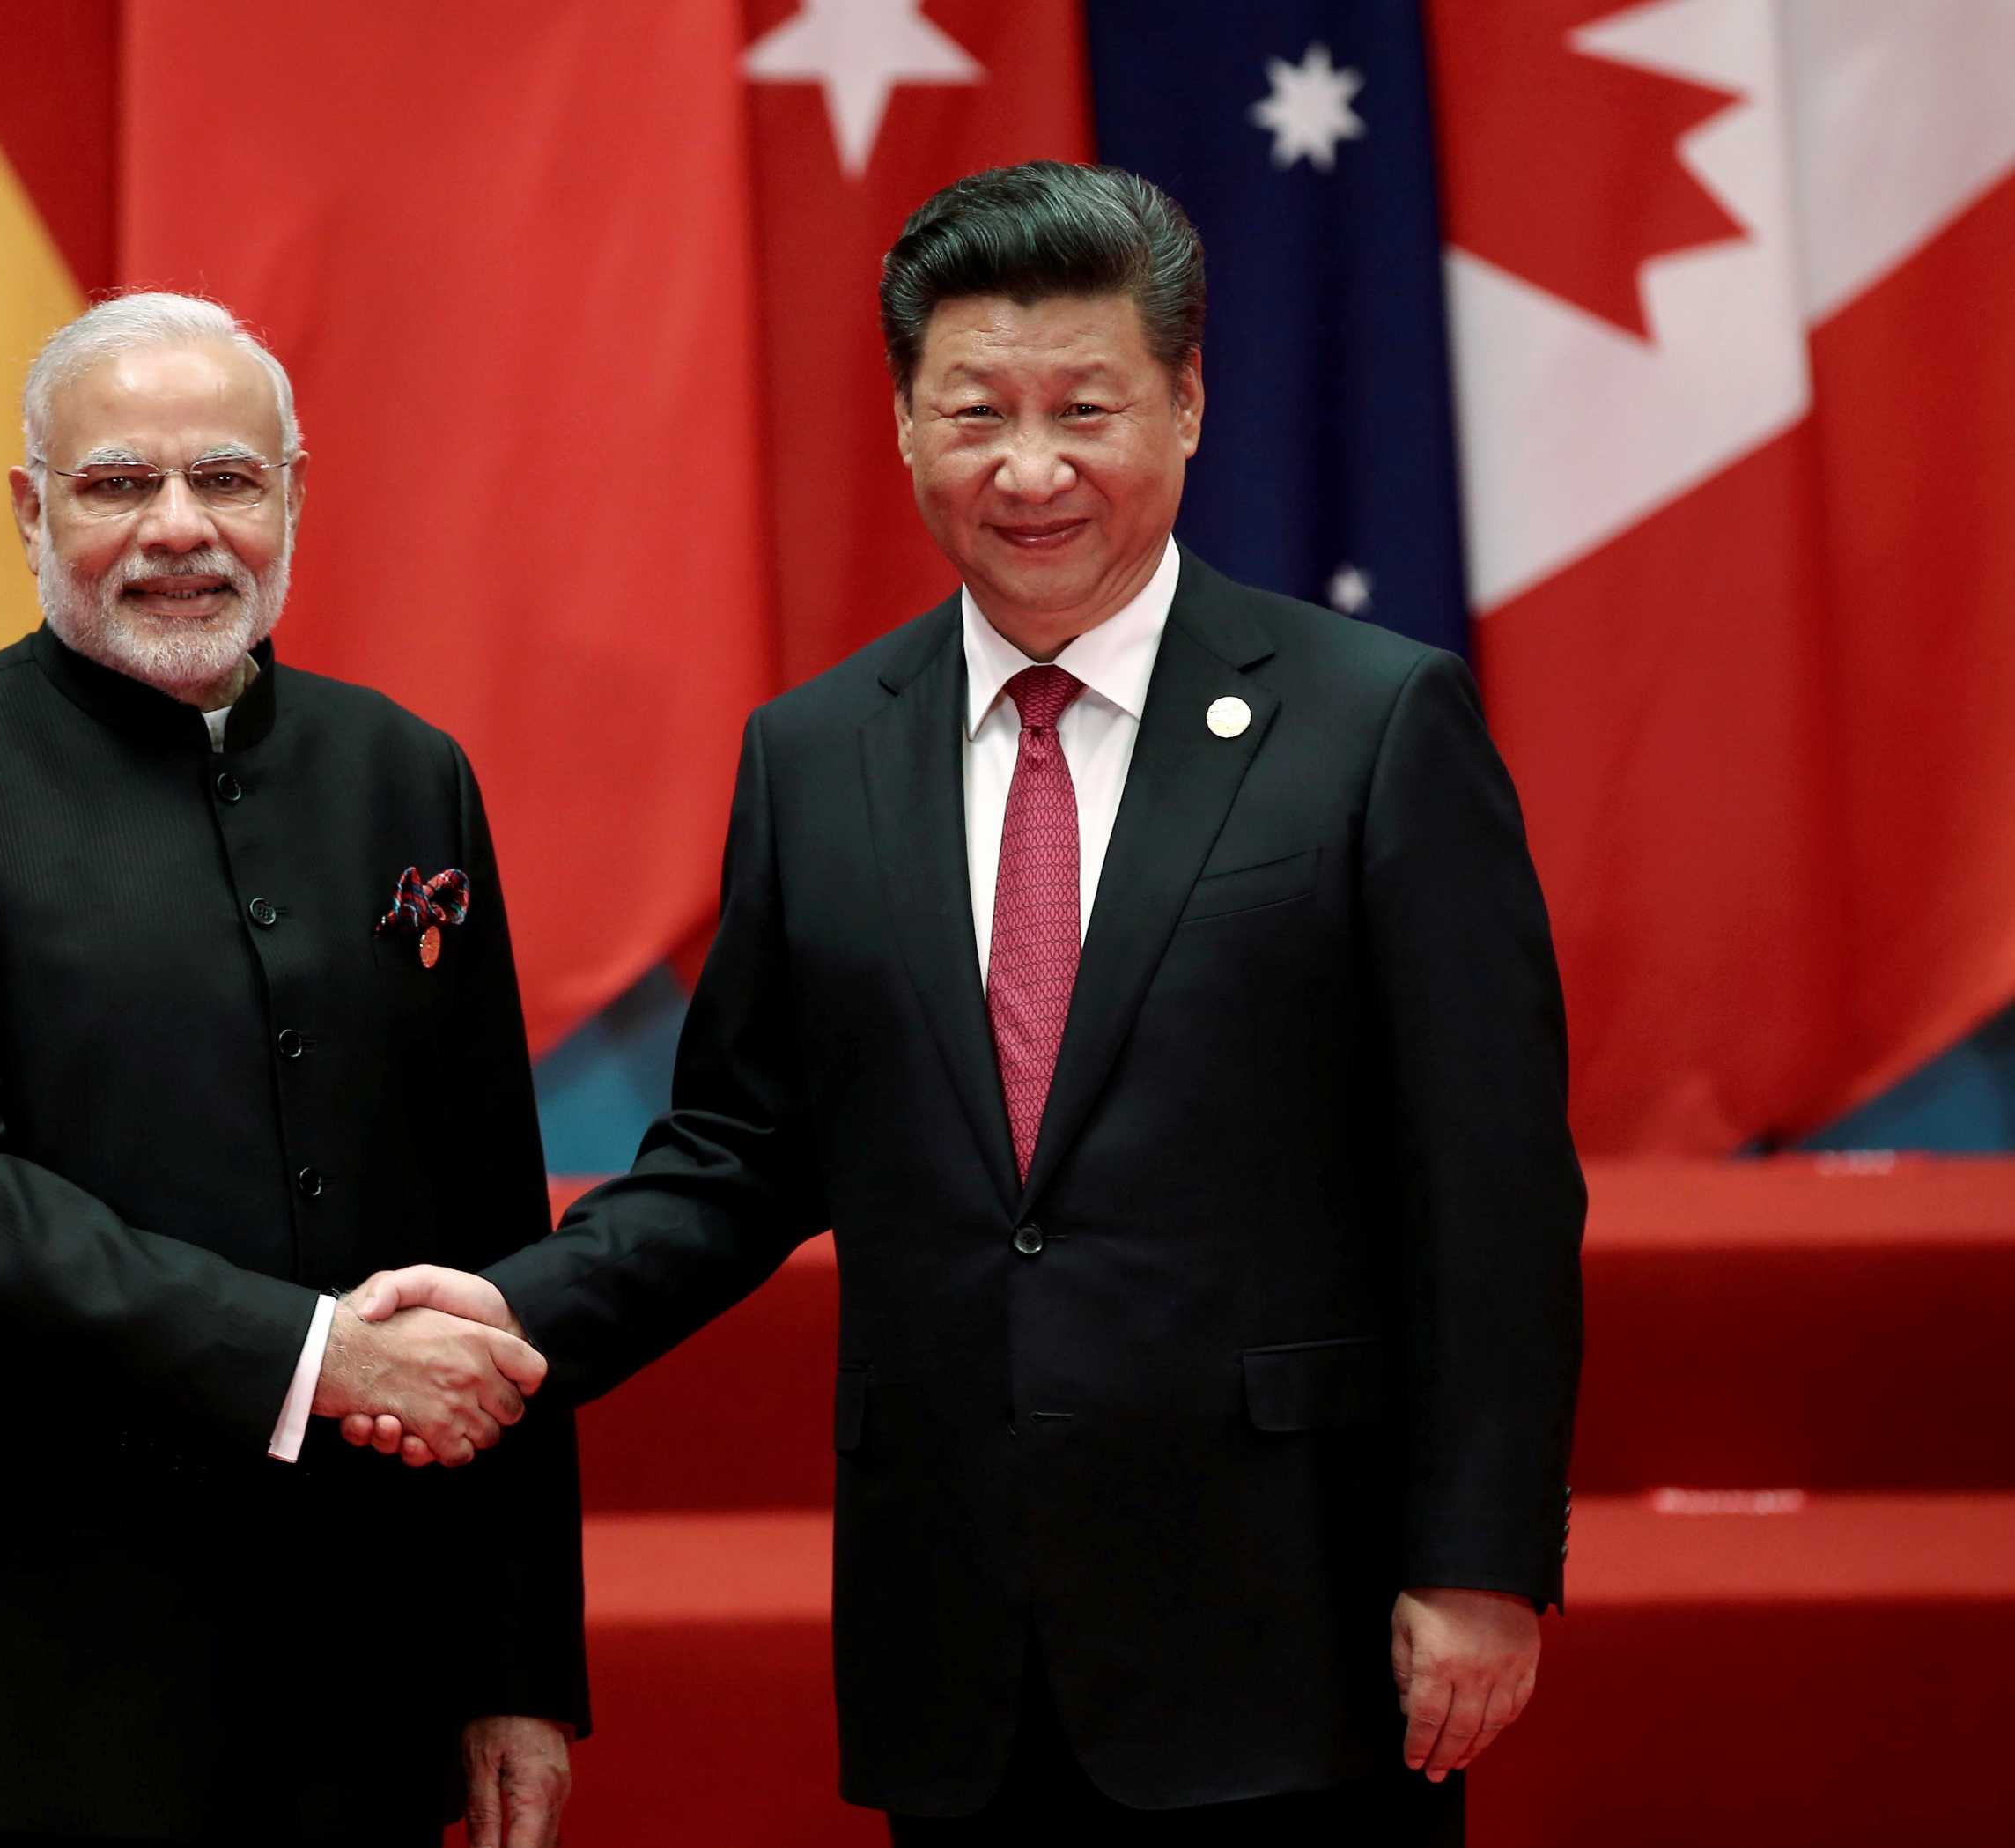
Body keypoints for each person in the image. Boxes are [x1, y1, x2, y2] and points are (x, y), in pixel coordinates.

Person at [347, 164, 1583, 1843]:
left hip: (1290, 1621)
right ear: (908, 424)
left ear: (1189, 403)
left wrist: (1480, 1559)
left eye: (1087, 408)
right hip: (961, 1635)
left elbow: (1493, 1185)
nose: (1031, 468)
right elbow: (738, 1151)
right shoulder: (818, 753)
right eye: (976, 411)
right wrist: (513, 1315)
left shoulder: (1375, 727)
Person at [0, 292, 584, 1848]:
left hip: (359, 1683)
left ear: (292, 493)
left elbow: (494, 1234)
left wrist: (518, 1664)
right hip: (17, 1690)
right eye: (115, 484)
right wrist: (316, 1356)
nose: (177, 530)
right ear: (30, 509)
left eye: (225, 479)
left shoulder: (405, 772)